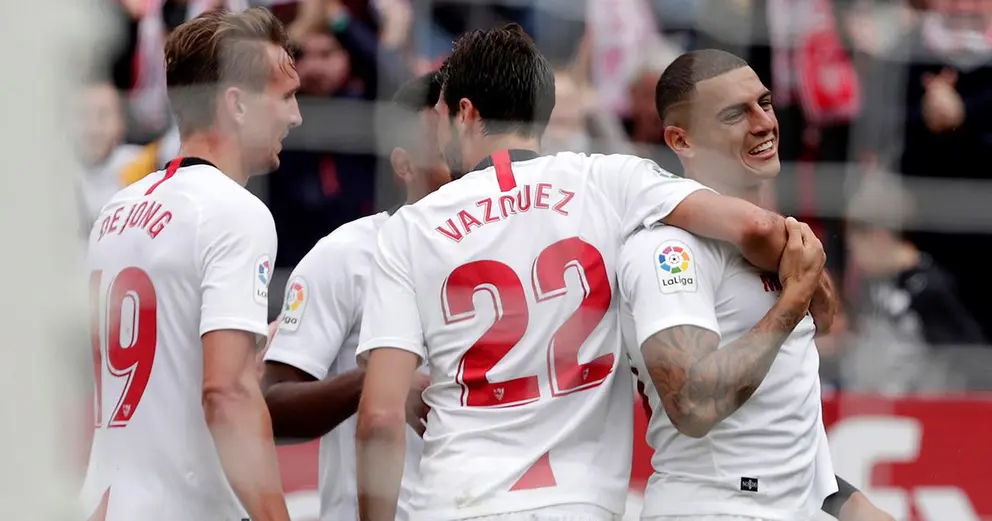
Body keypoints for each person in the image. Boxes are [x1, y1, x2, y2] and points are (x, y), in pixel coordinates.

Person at [353, 25, 827, 521]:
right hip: (580, 502)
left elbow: (382, 416)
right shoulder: (608, 179)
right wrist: (799, 280)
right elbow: (755, 226)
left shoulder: (410, 228)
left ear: (466, 114)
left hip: (456, 498)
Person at [619, 48, 892, 521]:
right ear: (681, 140)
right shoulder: (667, 250)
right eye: (734, 114)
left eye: (764, 103)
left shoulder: (781, 238)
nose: (763, 123)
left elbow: (780, 423)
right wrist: (791, 303)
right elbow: (691, 407)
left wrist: (849, 505)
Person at [80, 8, 301, 521]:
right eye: (286, 96)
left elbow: (160, 366)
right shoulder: (236, 212)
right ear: (237, 105)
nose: (296, 116)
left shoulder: (116, 210)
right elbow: (225, 393)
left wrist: (252, 350)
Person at [259, 72, 451, 521]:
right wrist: (379, 382)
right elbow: (271, 408)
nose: (464, 165)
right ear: (403, 165)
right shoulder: (346, 255)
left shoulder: (510, 254)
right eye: (446, 151)